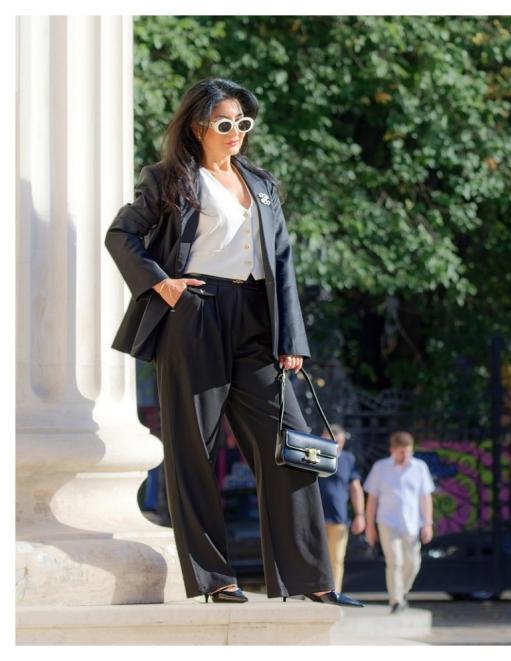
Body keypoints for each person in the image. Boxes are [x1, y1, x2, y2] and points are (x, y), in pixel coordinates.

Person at [104, 77, 362, 607]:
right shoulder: (171, 179)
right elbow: (120, 234)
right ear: (199, 127)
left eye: (243, 123)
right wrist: (162, 283)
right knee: (192, 451)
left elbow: (283, 263)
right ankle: (214, 579)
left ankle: (309, 580)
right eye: (225, 124)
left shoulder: (261, 183)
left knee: (288, 446)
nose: (236, 132)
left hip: (255, 318)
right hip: (194, 312)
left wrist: (291, 337)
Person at [363, 431, 436, 613]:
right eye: (401, 452)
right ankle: (395, 600)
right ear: (392, 450)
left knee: (413, 563)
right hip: (387, 521)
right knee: (395, 561)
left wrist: (428, 524)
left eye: (408, 451)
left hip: (411, 522)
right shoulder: (380, 467)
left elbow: (425, 498)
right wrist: (369, 526)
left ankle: (401, 593)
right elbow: (372, 499)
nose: (404, 456)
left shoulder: (420, 467)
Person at [318, 423, 366, 592]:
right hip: (314, 516)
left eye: (338, 442)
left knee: (336, 559)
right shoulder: (313, 455)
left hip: (338, 517)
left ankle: (333, 592)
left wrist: (360, 514)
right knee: (314, 557)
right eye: (330, 441)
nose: (335, 445)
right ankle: (310, 591)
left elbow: (355, 488)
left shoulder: (347, 459)